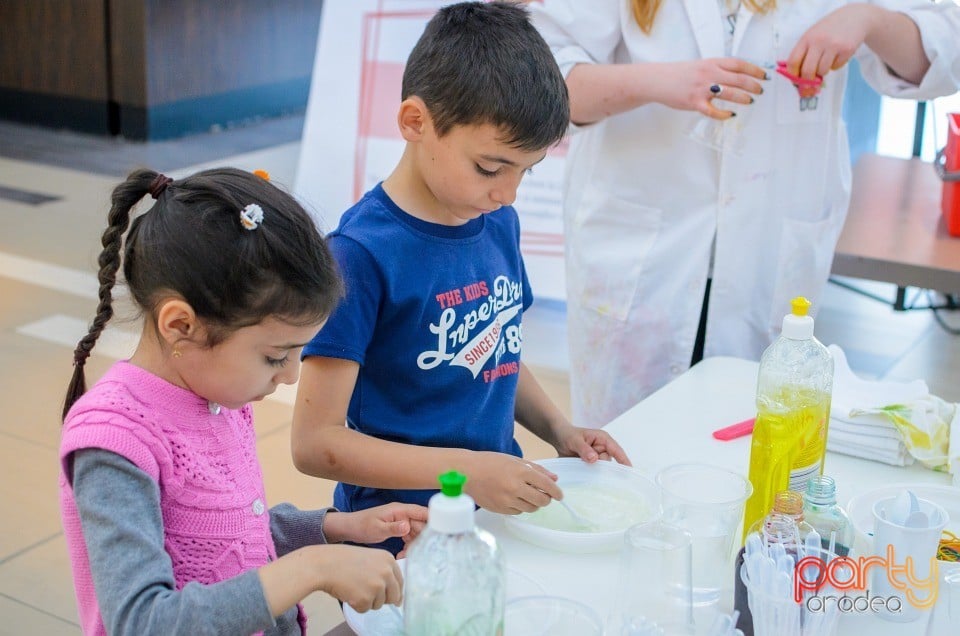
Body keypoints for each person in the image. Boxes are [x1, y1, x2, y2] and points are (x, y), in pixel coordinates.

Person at [291, 1, 631, 555]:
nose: (508, 193)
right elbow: (313, 442)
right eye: (491, 168)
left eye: (528, 171)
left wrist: (559, 430)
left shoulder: (496, 220)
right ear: (414, 122)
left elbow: (496, 350)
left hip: (495, 514)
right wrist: (466, 471)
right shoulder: (360, 255)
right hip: (400, 533)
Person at [529, 0, 960, 427]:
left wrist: (870, 19)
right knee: (627, 450)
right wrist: (661, 81)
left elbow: (945, 52)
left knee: (743, 452)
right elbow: (535, 79)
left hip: (768, 244)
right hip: (640, 248)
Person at [59, 167, 429, 636]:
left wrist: (336, 528)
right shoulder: (114, 443)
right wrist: (312, 569)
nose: (293, 375)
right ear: (181, 325)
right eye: (276, 356)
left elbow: (227, 544)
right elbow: (143, 621)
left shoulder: (216, 393)